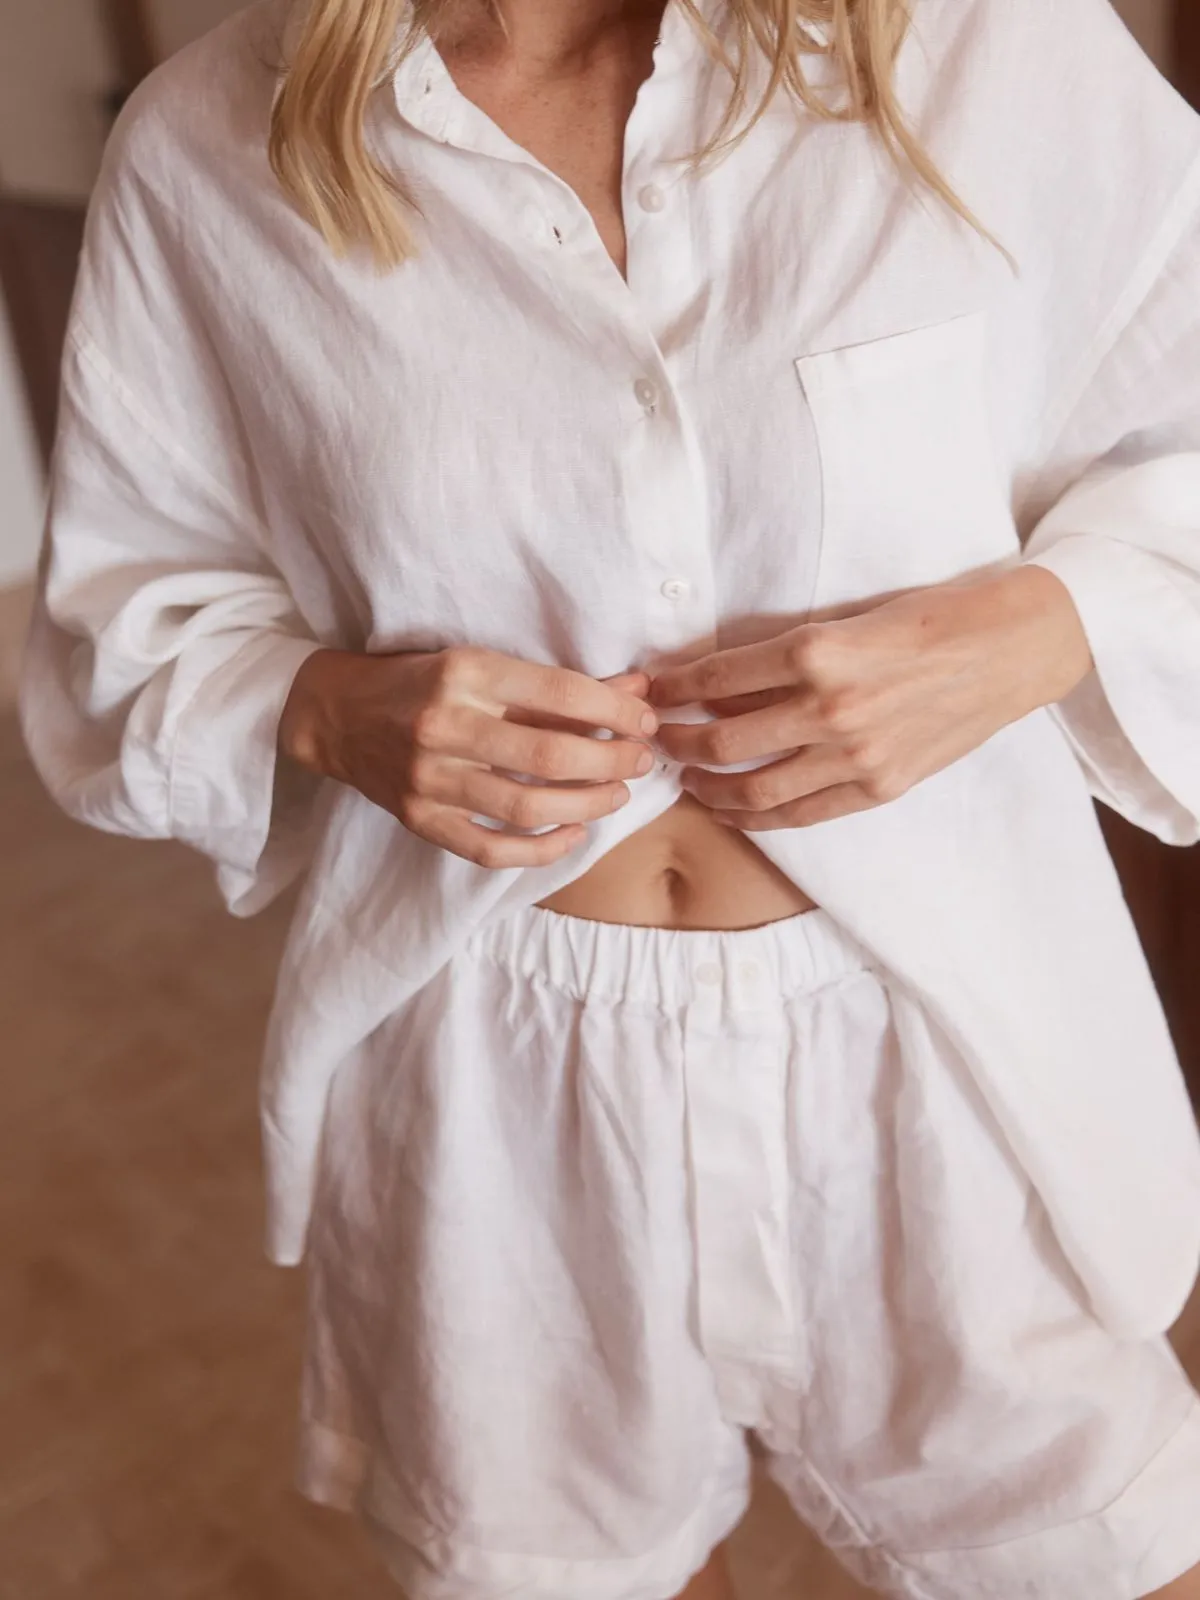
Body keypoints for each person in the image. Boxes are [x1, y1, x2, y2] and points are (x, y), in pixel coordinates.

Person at [18, 0, 1200, 1592]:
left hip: (944, 1048)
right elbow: (122, 621)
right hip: (487, 1091)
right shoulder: (214, 144)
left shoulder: (982, 48)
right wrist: (325, 709)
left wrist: (1035, 627)